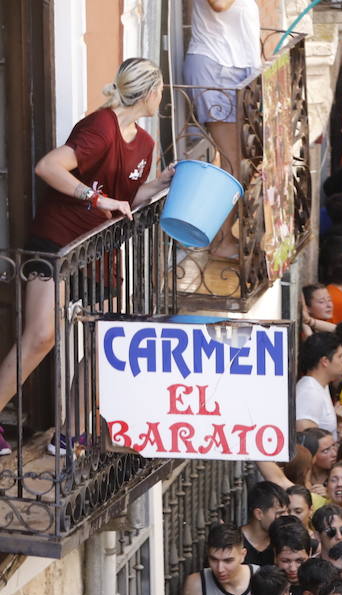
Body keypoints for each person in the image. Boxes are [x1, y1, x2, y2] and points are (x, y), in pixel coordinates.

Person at [0, 58, 172, 456]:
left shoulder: (144, 144)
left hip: (98, 252)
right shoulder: (100, 126)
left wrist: (161, 183)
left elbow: (128, 199)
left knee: (107, 337)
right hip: (59, 243)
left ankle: (72, 430)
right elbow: (49, 166)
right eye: (160, 90)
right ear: (149, 92)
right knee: (41, 336)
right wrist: (96, 198)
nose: (160, 97)